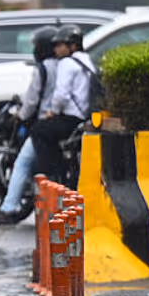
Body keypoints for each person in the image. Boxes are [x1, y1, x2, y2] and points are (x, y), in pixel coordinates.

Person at [0, 26, 58, 226]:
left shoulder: (43, 69)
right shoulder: (63, 65)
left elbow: (32, 101)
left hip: (44, 123)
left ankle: (8, 209)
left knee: (22, 163)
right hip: (62, 121)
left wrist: (20, 115)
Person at [30, 24, 93, 188]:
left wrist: (53, 111)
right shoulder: (86, 60)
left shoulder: (67, 63)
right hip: (84, 117)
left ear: (72, 46)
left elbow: (61, 95)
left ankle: (50, 174)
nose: (56, 49)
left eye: (60, 45)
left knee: (39, 130)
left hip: (71, 118)